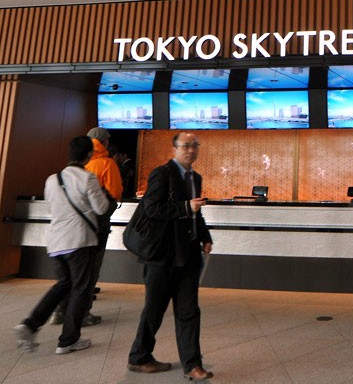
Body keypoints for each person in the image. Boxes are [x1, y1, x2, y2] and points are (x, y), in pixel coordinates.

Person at [127, 132, 214, 381]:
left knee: (189, 311)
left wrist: (205, 236)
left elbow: (196, 213)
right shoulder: (162, 174)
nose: (190, 150)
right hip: (162, 256)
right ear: (174, 149)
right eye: (185, 146)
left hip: (187, 256)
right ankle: (139, 357)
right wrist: (186, 207)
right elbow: (152, 208)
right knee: (154, 310)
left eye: (194, 146)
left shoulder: (195, 177)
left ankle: (192, 365)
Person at [12, 136, 110, 355]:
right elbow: (102, 208)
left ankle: (30, 324)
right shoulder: (88, 178)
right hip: (79, 241)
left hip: (56, 241)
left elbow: (52, 208)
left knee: (63, 284)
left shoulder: (51, 179)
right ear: (88, 156)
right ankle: (68, 340)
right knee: (81, 289)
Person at [49, 127, 122, 326]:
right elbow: (114, 193)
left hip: (67, 228)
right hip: (95, 224)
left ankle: (60, 311)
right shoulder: (107, 163)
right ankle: (83, 314)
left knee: (69, 275)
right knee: (90, 270)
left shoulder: (69, 170)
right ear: (104, 142)